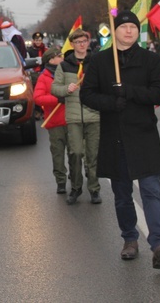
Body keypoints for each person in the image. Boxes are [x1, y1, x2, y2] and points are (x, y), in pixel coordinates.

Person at [79, 10, 160, 269]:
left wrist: (130, 92)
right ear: (115, 31)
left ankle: (159, 245)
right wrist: (111, 102)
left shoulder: (150, 60)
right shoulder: (100, 61)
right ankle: (130, 240)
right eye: (124, 27)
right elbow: (86, 95)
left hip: (144, 135)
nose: (129, 31)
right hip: (114, 137)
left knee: (151, 192)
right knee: (122, 194)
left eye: (133, 27)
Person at [50, 29, 102, 205]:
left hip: (93, 115)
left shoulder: (96, 63)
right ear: (72, 44)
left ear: (88, 42)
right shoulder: (64, 66)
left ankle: (94, 189)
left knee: (92, 155)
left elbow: (105, 85)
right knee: (75, 152)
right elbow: (54, 88)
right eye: (78, 41)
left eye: (84, 41)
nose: (81, 44)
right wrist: (66, 89)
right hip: (73, 117)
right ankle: (76, 188)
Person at [33, 47, 69, 194]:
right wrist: (57, 99)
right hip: (55, 123)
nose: (62, 57)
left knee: (75, 153)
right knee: (58, 154)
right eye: (59, 56)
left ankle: (75, 177)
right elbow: (38, 98)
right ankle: (61, 181)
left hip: (72, 120)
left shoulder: (68, 73)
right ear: (51, 60)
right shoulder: (44, 77)